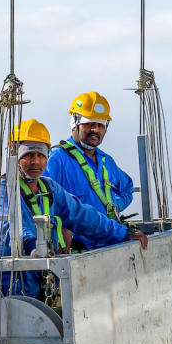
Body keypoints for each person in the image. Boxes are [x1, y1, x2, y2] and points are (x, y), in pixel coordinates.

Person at [0, 119, 147, 298]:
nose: (35, 161)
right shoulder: (3, 191)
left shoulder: (48, 187)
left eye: (41, 154)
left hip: (43, 283)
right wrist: (33, 246)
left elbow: (83, 216)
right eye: (28, 154)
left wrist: (122, 233)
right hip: (10, 292)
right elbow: (12, 229)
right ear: (13, 155)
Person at [44, 91, 135, 248]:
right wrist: (61, 227)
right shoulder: (57, 159)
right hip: (77, 252)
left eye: (101, 125)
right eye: (89, 124)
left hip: (110, 245)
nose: (96, 130)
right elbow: (43, 199)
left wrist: (113, 206)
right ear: (74, 123)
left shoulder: (106, 161)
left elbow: (127, 188)